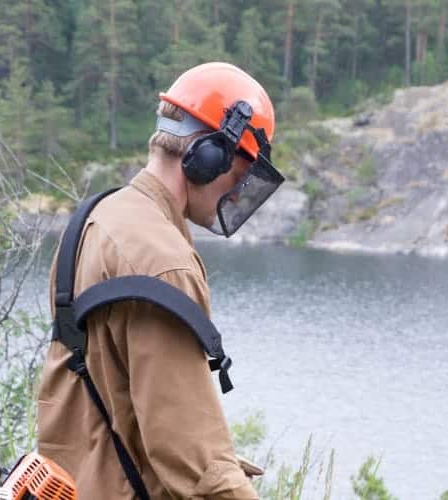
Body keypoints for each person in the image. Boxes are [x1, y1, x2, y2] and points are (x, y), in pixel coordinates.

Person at [37, 62, 282, 500]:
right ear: (210, 157)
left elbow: (112, 406)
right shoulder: (163, 263)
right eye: (241, 173)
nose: (238, 193)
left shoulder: (93, 220)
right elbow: (189, 457)